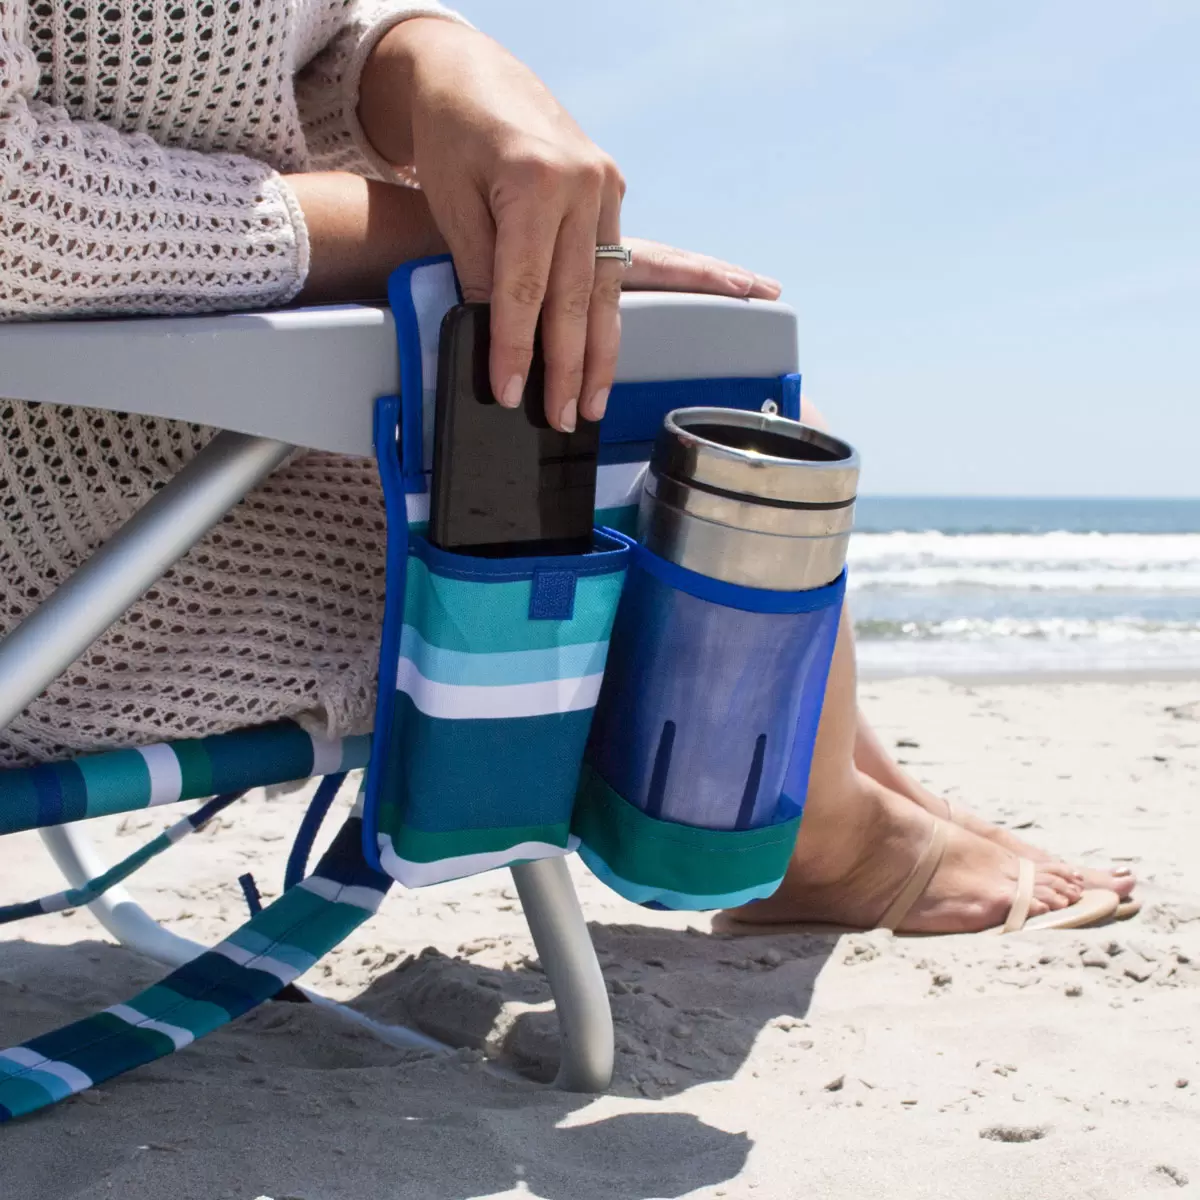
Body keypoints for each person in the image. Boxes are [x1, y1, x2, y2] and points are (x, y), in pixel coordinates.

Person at [0, 1, 1134, 932]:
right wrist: (443, 234)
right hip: (64, 542)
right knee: (714, 458)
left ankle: (837, 790)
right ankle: (819, 833)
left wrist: (437, 62)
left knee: (721, 424)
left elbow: (281, 51)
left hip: (214, 442)